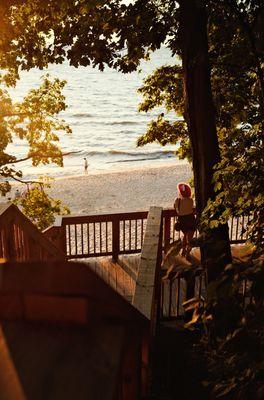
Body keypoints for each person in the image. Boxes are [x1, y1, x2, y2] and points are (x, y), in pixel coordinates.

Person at [174, 182, 196, 258]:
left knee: (185, 235)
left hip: (182, 220)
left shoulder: (177, 200)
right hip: (190, 219)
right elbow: (192, 208)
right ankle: (188, 253)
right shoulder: (190, 200)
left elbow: (176, 209)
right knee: (190, 238)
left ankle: (183, 250)